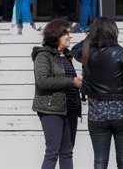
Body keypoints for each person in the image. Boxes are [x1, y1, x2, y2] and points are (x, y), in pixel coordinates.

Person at [72, 17, 123, 169]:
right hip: (122, 112)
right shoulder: (119, 52)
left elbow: (73, 50)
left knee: (100, 161)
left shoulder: (86, 52)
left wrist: (89, 36)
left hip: (97, 113)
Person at [32, 19, 83, 169]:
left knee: (67, 152)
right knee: (52, 152)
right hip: (51, 109)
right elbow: (43, 81)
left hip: (70, 108)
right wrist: (71, 82)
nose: (70, 36)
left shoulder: (67, 56)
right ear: (56, 35)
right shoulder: (43, 55)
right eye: (66, 33)